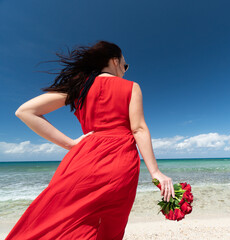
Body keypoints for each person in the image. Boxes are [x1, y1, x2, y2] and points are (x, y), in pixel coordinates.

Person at [6, 40, 175, 239]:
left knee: (59, 220)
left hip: (81, 159)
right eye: (125, 65)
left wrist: (71, 144)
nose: (125, 70)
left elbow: (25, 111)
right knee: (109, 227)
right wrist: (155, 172)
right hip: (120, 160)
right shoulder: (131, 87)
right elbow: (138, 128)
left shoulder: (80, 87)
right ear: (114, 61)